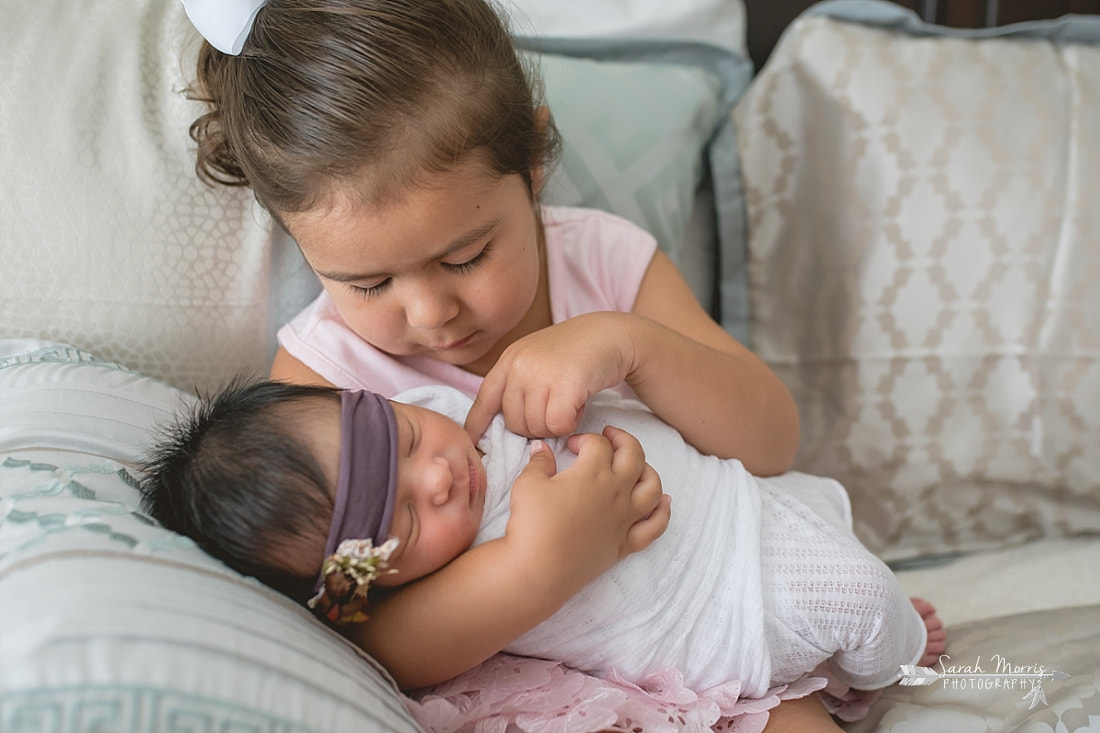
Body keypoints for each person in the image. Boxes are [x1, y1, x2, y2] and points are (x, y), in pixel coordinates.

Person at [179, 0, 835, 727]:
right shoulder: (321, 383)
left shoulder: (604, 265)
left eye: (466, 257)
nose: (430, 314)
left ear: (532, 162)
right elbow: (349, 619)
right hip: (526, 683)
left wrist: (633, 346)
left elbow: (773, 440)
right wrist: (533, 572)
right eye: (368, 283)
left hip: (712, 624)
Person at [140, 379, 946, 720]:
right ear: (361, 583)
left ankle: (868, 644)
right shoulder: (415, 607)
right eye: (406, 522)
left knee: (843, 550)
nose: (438, 478)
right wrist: (552, 552)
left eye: (411, 436)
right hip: (728, 606)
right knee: (860, 599)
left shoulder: (448, 409)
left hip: (746, 498)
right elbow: (399, 646)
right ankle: (876, 668)